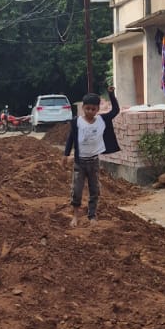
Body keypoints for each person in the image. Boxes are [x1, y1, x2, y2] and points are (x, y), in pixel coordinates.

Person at [63, 87, 120, 227]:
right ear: (83, 108)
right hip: (79, 163)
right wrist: (65, 155)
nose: (90, 111)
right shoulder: (77, 122)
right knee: (77, 190)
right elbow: (70, 139)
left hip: (94, 162)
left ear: (97, 109)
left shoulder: (102, 120)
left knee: (94, 190)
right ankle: (75, 216)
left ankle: (92, 215)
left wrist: (111, 94)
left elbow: (115, 111)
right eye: (87, 108)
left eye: (93, 109)